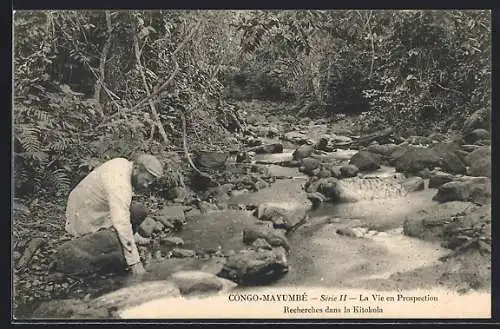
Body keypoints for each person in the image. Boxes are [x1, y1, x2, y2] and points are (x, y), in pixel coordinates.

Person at [63, 154, 164, 276]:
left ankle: (133, 236)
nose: (147, 185)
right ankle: (90, 240)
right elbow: (121, 222)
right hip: (83, 217)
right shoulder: (119, 184)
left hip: (94, 209)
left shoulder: (124, 164)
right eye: (146, 180)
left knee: (139, 210)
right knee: (116, 249)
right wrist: (134, 262)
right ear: (136, 169)